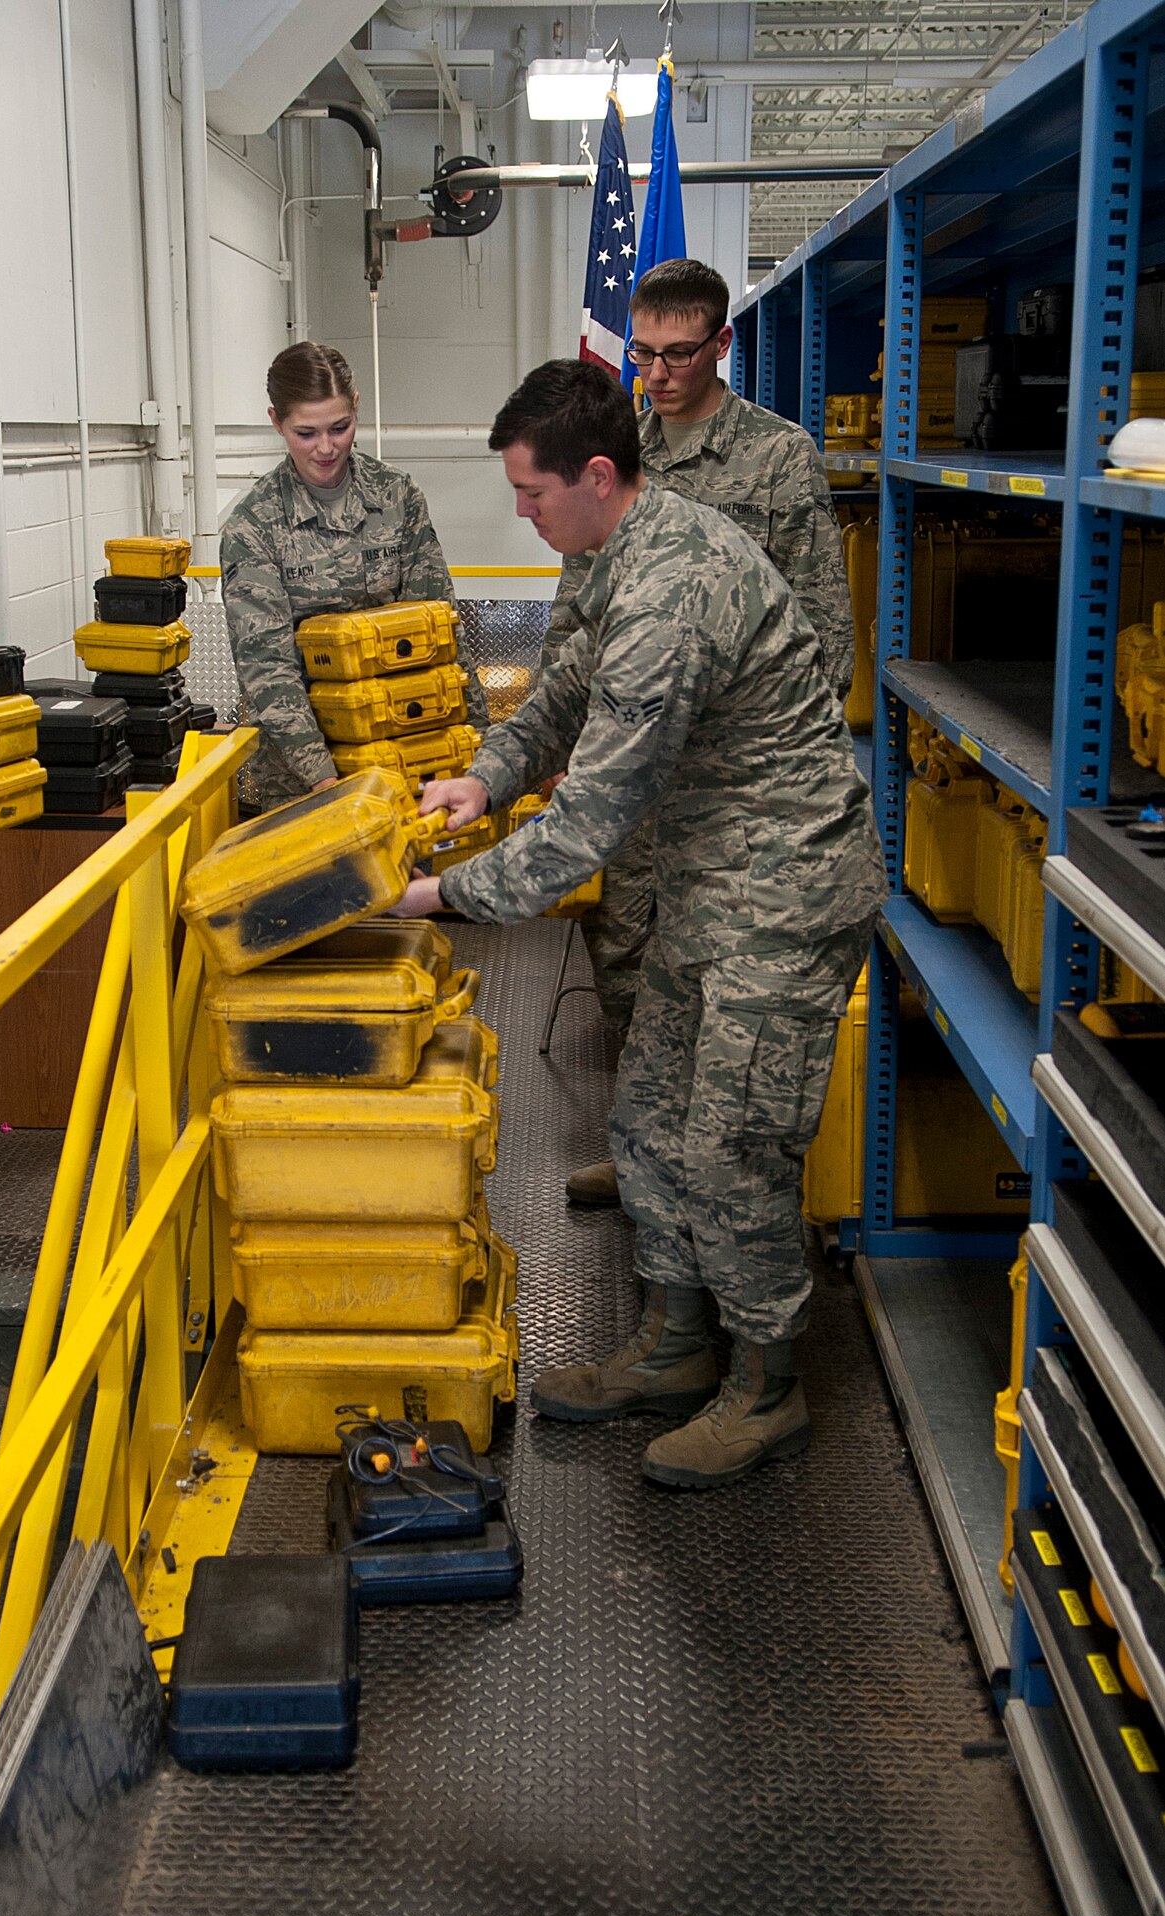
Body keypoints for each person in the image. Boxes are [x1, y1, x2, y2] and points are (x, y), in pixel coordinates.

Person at [391, 359, 885, 1490]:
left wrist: (432, 897)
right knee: (652, 1111)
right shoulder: (625, 550)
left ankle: (765, 1386)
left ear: (596, 475)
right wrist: (484, 775)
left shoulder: (671, 593)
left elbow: (588, 821)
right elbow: (565, 684)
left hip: (788, 889)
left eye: (529, 491)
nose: (519, 510)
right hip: (713, 880)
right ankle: (672, 1343)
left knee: (732, 1145)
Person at [546, 259, 855, 1208]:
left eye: (680, 354)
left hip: (731, 795)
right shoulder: (616, 453)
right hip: (636, 781)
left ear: (722, 345)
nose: (657, 373)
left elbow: (823, 635)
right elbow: (574, 619)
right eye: (642, 352)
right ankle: (646, 1152)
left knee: (724, 988)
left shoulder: (776, 456)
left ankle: (716, 1178)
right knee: (630, 958)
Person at [220, 341, 488, 811]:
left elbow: (442, 628)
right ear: (275, 422)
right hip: (306, 777)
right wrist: (324, 780)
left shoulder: (396, 496)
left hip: (407, 749)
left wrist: (479, 743)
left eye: (340, 428)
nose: (326, 448)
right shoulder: (255, 526)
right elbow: (268, 669)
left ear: (357, 407)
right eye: (305, 433)